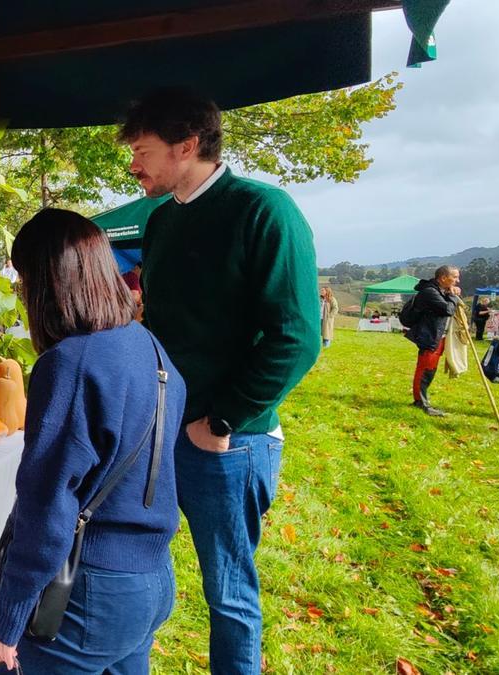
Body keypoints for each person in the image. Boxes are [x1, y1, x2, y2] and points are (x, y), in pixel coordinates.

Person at [122, 88, 320, 674]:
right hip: (159, 433)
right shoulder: (161, 221)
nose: (133, 165)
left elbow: (296, 337)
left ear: (187, 146)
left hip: (228, 442)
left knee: (228, 593)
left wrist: (224, 420)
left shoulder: (264, 210)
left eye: (142, 151)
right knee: (136, 566)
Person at [0, 209, 185, 674]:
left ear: (45, 283)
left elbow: (47, 504)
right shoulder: (150, 347)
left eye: (25, 280)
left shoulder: (71, 364)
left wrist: (10, 614)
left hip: (88, 591)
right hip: (152, 579)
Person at [406, 266, 461, 416]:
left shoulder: (441, 290)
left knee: (430, 370)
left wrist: (450, 293)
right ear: (443, 278)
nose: (457, 281)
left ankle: (421, 400)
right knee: (425, 369)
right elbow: (448, 310)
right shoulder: (430, 292)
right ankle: (421, 403)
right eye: (455, 277)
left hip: (437, 336)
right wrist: (453, 296)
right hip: (429, 336)